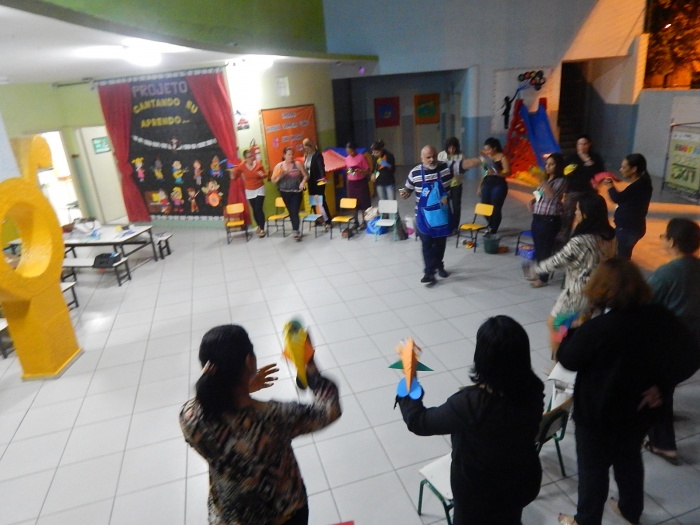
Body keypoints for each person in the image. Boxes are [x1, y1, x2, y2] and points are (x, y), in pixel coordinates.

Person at [556, 259, 699, 525]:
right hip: (638, 411)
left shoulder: (597, 329)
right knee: (629, 460)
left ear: (599, 289)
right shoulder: (660, 317)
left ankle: (586, 520)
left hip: (597, 415)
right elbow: (692, 354)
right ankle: (630, 510)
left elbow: (568, 359)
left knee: (593, 471)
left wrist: (571, 332)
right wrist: (662, 385)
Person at [180, 324, 342, 525]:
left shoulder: (190, 418)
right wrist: (309, 365)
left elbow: (204, 396)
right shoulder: (273, 417)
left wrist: (242, 386)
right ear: (249, 361)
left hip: (230, 517)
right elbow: (329, 410)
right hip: (282, 515)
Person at [398, 316, 544, 525]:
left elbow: (418, 421)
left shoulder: (470, 405)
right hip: (520, 482)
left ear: (483, 358)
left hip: (477, 496)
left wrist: (408, 380)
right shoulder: (534, 389)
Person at [523, 193, 616, 356]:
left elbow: (558, 260)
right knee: (580, 326)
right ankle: (575, 356)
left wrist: (535, 270)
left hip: (578, 294)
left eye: (578, 210)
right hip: (598, 290)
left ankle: (558, 360)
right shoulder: (609, 236)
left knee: (555, 324)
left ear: (586, 214)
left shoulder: (581, 241)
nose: (576, 213)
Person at [644, 218, 700, 464]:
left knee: (655, 392)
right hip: (694, 347)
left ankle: (663, 445)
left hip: (670, 347)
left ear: (672, 242)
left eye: (664, 237)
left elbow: (643, 306)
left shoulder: (666, 274)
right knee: (666, 384)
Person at [399, 145, 456, 284]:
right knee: (427, 244)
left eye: (434, 156)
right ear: (422, 158)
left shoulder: (446, 168)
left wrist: (480, 160)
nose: (432, 159)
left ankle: (439, 265)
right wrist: (404, 193)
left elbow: (463, 166)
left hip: (441, 215)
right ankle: (429, 272)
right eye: (428, 157)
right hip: (423, 217)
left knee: (440, 244)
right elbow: (407, 189)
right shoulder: (415, 173)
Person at [602, 153, 653, 259]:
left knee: (620, 258)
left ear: (634, 169)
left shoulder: (637, 186)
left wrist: (610, 185)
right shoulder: (643, 183)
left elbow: (617, 198)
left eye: (624, 167)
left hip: (628, 230)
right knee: (623, 254)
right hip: (634, 227)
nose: (620, 170)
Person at [528, 153, 567, 288]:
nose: (548, 167)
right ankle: (538, 271)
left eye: (552, 164)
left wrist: (541, 181)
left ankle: (543, 278)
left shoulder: (561, 181)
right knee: (538, 247)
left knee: (545, 249)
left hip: (549, 219)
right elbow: (539, 194)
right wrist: (532, 201)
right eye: (547, 164)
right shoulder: (546, 179)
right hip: (537, 217)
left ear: (558, 166)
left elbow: (551, 195)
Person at [558, 135, 605, 246]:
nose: (582, 146)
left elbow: (600, 173)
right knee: (567, 216)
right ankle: (562, 242)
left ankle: (583, 241)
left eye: (585, 144)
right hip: (574, 190)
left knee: (588, 216)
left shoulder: (595, 158)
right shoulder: (572, 158)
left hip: (590, 191)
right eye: (580, 144)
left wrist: (588, 162)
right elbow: (565, 173)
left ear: (589, 145)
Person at [473, 137, 510, 234]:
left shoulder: (502, 157)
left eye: (488, 149)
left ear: (494, 148)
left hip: (499, 185)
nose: (486, 152)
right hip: (487, 184)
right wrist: (479, 187)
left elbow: (508, 172)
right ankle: (491, 224)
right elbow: (483, 173)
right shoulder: (486, 159)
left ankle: (493, 229)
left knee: (495, 208)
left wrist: (496, 173)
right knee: (484, 207)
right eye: (485, 150)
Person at [271, 147, 309, 241]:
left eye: (292, 154)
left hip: (296, 192)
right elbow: (273, 180)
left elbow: (306, 176)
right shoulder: (279, 166)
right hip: (284, 192)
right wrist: (281, 175)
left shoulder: (297, 164)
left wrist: (302, 182)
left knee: (294, 210)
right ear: (284, 155)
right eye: (289, 154)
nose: (291, 156)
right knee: (291, 212)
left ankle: (296, 231)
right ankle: (295, 229)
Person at [231, 149, 268, 238]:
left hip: (259, 188)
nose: (251, 158)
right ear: (245, 159)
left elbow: (265, 175)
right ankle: (259, 225)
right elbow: (235, 176)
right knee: (254, 209)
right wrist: (232, 173)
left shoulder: (258, 163)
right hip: (249, 190)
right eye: (249, 157)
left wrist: (262, 175)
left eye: (252, 156)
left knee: (258, 208)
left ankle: (262, 229)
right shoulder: (242, 166)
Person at [302, 138, 331, 228]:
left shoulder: (317, 155)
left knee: (321, 201)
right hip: (310, 181)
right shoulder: (306, 156)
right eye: (304, 148)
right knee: (313, 201)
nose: (306, 150)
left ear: (311, 146)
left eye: (307, 148)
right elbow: (306, 168)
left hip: (318, 181)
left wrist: (323, 177)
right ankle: (318, 220)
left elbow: (321, 167)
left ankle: (328, 221)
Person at [438, 136, 465, 231]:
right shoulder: (441, 155)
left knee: (456, 205)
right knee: (445, 204)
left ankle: (455, 227)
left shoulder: (461, 155)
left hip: (456, 183)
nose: (452, 150)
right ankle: (447, 225)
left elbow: (463, 169)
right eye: (450, 148)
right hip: (445, 184)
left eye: (454, 148)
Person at [344, 141, 372, 229]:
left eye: (351, 151)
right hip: (352, 183)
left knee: (363, 202)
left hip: (361, 182)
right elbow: (347, 171)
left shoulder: (361, 157)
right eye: (348, 152)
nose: (350, 153)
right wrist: (350, 172)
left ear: (354, 150)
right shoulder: (347, 158)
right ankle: (355, 222)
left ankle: (364, 221)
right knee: (353, 203)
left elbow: (368, 170)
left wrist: (361, 171)